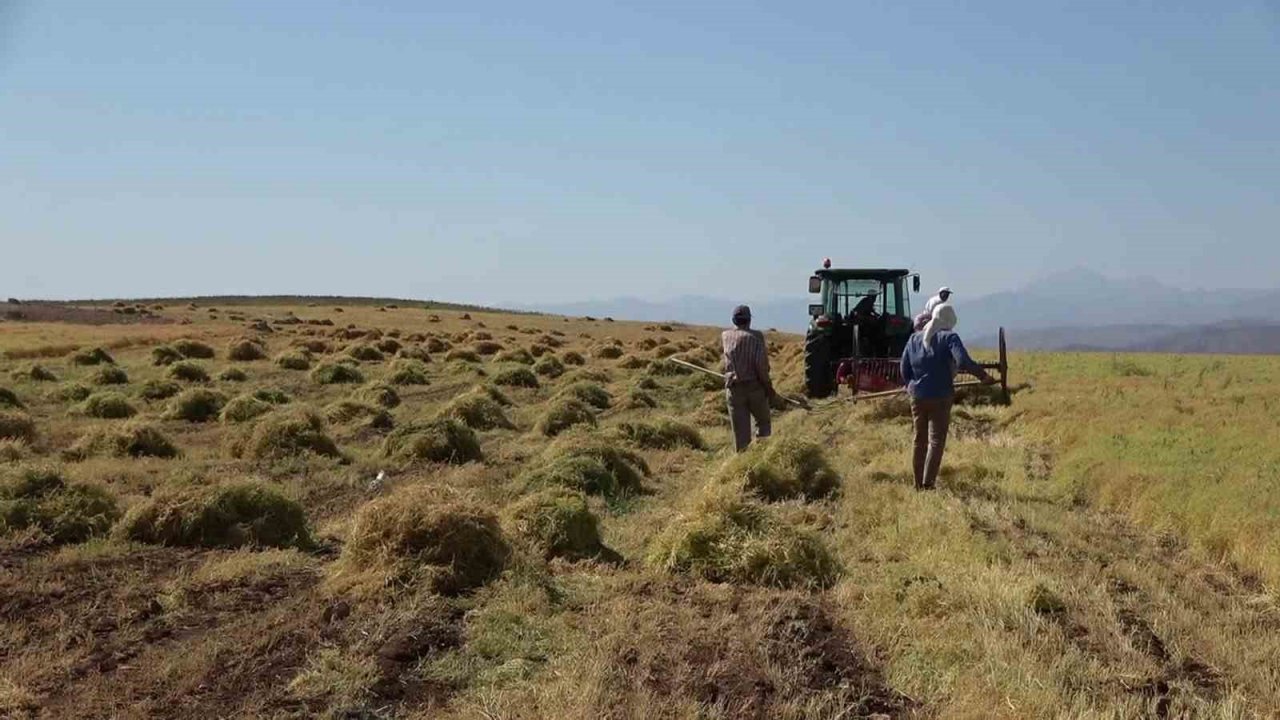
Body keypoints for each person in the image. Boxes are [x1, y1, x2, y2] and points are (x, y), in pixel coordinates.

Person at [899, 303, 995, 490]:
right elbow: (963, 361)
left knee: (919, 440)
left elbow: (904, 369)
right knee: (936, 441)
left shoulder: (913, 339)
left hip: (917, 397)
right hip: (941, 396)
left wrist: (912, 386)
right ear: (950, 321)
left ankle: (917, 484)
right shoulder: (950, 337)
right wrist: (983, 376)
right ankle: (928, 484)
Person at [722, 305, 775, 452]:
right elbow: (761, 366)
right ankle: (761, 455)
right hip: (754, 388)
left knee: (740, 433)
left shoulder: (725, 336)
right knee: (763, 424)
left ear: (734, 320)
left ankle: (743, 463)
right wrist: (769, 388)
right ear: (749, 320)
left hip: (734, 389)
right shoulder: (756, 337)